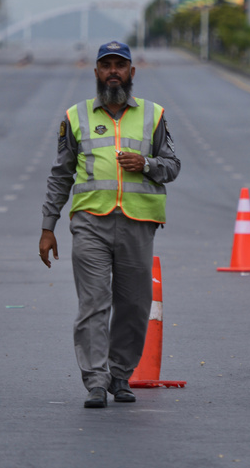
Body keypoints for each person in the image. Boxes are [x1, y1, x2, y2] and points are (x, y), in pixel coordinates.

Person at [39, 41, 181, 409]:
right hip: (90, 223)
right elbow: (60, 175)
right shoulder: (76, 116)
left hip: (138, 223)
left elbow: (173, 166)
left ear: (132, 72)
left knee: (134, 305)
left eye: (121, 65)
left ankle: (121, 375)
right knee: (93, 303)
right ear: (97, 72)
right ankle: (96, 381)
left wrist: (147, 164)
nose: (113, 71)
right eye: (107, 65)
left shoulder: (154, 115)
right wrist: (47, 225)